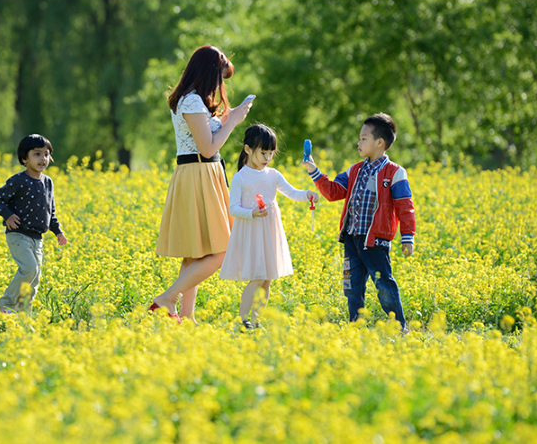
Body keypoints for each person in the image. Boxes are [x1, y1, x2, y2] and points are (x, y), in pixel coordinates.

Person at [151, 45, 252, 324]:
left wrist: (227, 117)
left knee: (196, 252)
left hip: (203, 173)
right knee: (222, 252)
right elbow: (208, 147)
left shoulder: (191, 100)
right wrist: (233, 122)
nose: (220, 83)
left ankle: (185, 316)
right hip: (199, 171)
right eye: (220, 76)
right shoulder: (192, 101)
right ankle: (166, 298)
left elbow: (204, 134)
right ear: (209, 72)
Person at [302, 113, 415, 330]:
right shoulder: (354, 170)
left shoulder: (395, 172)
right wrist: (313, 171)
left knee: (384, 286)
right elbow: (334, 192)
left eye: (364, 138)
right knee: (351, 287)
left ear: (379, 142)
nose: (358, 142)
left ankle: (399, 327)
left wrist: (407, 237)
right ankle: (356, 326)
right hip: (352, 239)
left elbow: (404, 206)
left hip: (376, 242)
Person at [220, 124, 319, 329]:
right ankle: (243, 319)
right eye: (263, 152)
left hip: (270, 232)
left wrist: (307, 194)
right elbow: (233, 208)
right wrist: (252, 213)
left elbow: (292, 193)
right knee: (257, 278)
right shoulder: (241, 177)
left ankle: (256, 321)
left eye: (271, 153)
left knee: (267, 279)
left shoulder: (273, 174)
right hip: (252, 231)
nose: (267, 158)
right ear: (247, 149)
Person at [0, 134, 68, 314]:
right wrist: (8, 215)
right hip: (18, 234)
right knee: (29, 268)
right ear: (24, 158)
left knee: (35, 277)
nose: (43, 158)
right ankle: (7, 303)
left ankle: (23, 312)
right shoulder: (18, 180)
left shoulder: (48, 182)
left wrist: (57, 231)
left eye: (46, 154)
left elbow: (51, 211)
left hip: (37, 238)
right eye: (37, 154)